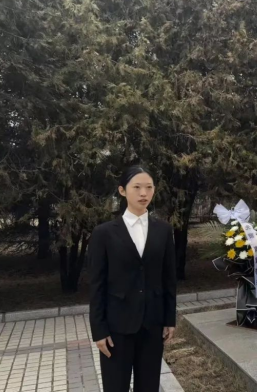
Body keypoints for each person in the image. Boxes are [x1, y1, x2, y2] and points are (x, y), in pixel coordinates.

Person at [89, 165, 177, 392]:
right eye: (136, 187)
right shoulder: (104, 233)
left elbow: (169, 278)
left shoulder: (163, 230)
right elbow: (96, 285)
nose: (143, 193)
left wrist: (170, 319)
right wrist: (99, 330)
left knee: (148, 386)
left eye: (149, 187)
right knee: (115, 387)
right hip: (116, 328)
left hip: (152, 325)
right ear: (122, 190)